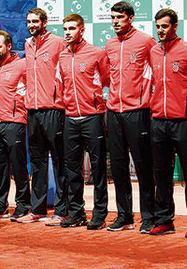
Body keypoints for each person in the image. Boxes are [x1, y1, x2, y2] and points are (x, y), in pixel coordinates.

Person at [147, 9, 187, 237]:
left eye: (164, 26)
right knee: (161, 174)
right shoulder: (153, 51)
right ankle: (164, 220)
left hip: (184, 121)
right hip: (159, 121)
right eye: (158, 26)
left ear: (174, 26)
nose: (160, 30)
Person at [104, 1, 157, 233]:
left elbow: (158, 72)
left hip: (138, 112)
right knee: (118, 167)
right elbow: (107, 78)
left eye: (120, 17)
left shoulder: (146, 41)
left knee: (143, 166)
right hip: (113, 111)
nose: (115, 21)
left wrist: (146, 100)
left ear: (131, 18)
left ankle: (149, 216)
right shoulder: (110, 44)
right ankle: (124, 216)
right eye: (113, 17)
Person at [57, 14, 110, 230]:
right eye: (65, 28)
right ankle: (77, 212)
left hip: (93, 116)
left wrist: (94, 99)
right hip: (70, 118)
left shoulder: (97, 53)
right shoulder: (61, 56)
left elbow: (106, 80)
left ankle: (99, 214)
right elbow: (60, 86)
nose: (67, 32)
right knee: (72, 169)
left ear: (82, 30)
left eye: (71, 28)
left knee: (98, 169)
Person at [16, 8, 68, 225]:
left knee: (59, 161)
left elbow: (66, 71)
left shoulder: (58, 42)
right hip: (33, 111)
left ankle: (62, 210)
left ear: (44, 22)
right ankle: (37, 210)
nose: (31, 24)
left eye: (35, 21)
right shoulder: (28, 45)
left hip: (53, 109)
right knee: (37, 162)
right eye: (28, 21)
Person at [0, 30, 31, 220]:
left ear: (9, 46)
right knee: (0, 167)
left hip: (15, 122)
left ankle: (23, 204)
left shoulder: (22, 65)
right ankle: (1, 204)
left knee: (19, 166)